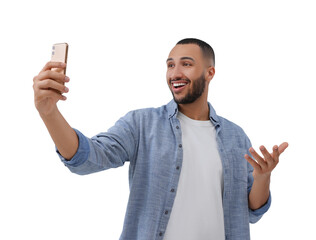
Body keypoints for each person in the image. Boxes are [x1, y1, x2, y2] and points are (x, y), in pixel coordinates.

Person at [33, 38, 288, 240]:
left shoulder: (235, 136)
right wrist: (49, 113)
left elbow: (251, 210)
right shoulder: (142, 124)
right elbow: (88, 158)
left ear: (210, 73)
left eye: (186, 64)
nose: (175, 73)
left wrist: (263, 177)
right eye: (170, 65)